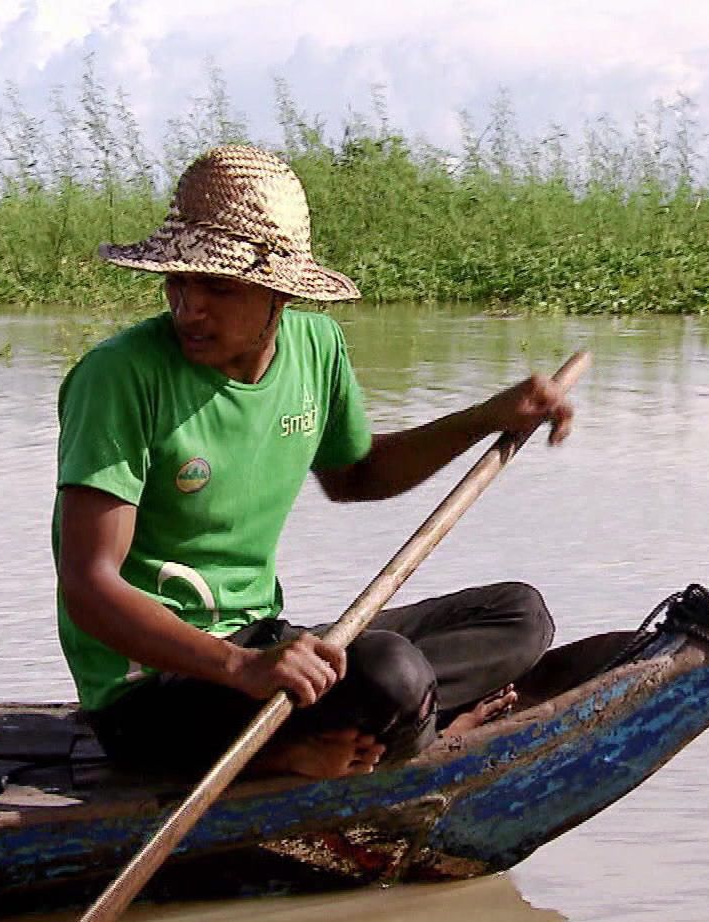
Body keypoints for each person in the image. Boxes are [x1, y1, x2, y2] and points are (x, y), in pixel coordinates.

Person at [54, 145, 575, 782]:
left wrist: (484, 419)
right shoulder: (119, 378)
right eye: (177, 282)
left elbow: (357, 474)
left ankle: (398, 721)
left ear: (278, 294)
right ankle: (332, 745)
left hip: (262, 640)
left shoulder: (316, 347)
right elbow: (88, 587)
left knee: (518, 617)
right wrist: (240, 668)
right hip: (154, 693)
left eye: (217, 286)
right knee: (391, 672)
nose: (188, 307)